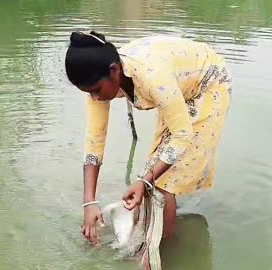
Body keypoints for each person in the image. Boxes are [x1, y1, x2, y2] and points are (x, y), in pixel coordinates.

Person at [64, 31, 232, 245]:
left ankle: (160, 251)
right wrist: (89, 202)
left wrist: (144, 181)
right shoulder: (100, 80)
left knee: (162, 184)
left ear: (114, 71)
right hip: (175, 89)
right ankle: (145, 236)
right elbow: (95, 140)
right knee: (153, 172)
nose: (95, 98)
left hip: (208, 85)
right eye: (88, 93)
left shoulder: (152, 77)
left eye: (96, 90)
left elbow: (182, 135)